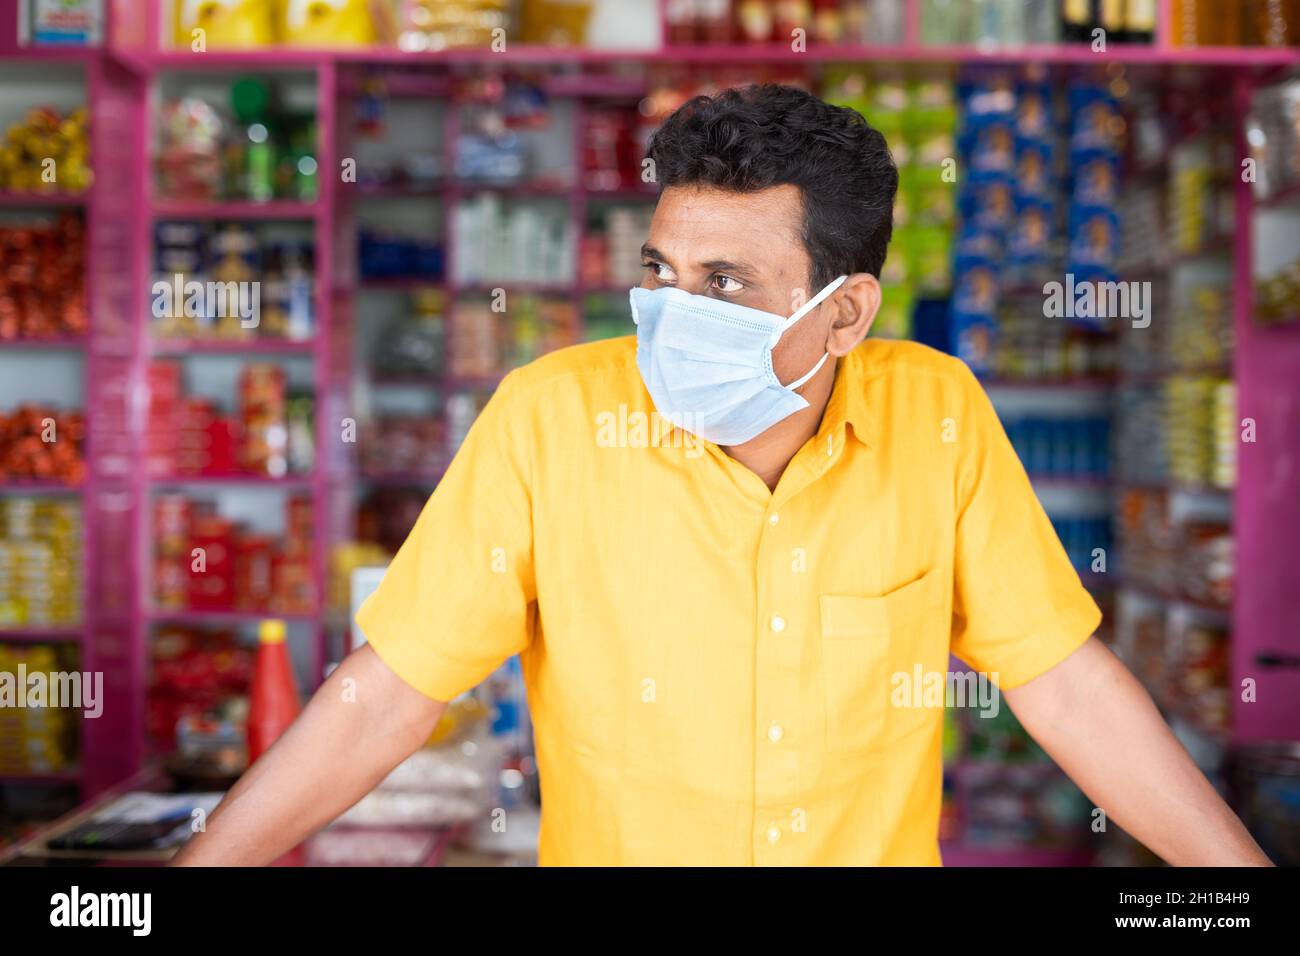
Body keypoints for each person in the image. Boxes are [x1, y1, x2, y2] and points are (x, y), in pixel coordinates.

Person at [175, 84, 1270, 866]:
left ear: (843, 313)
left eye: (725, 282)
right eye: (659, 270)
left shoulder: (935, 411)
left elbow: (1062, 682)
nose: (670, 312)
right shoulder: (549, 416)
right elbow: (391, 690)